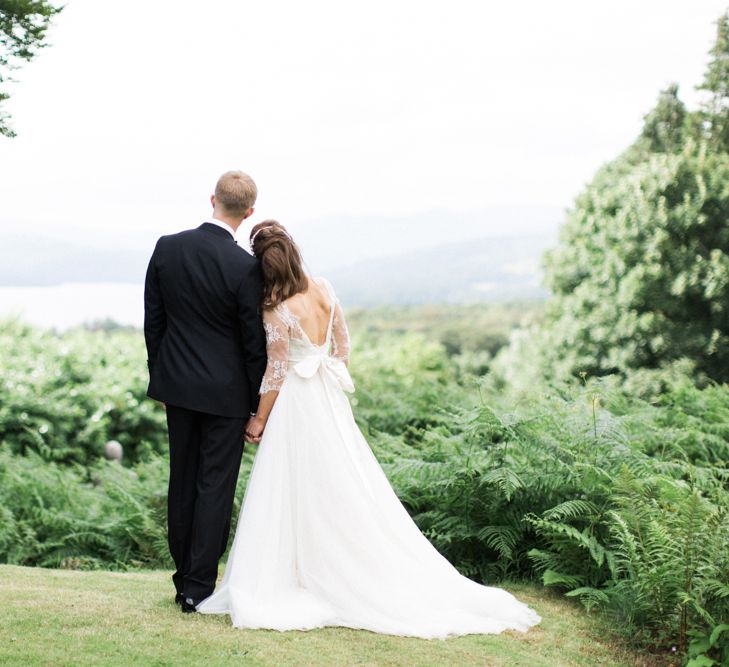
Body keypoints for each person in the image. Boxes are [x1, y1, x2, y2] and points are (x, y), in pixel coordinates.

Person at [196, 220, 541, 638]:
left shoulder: (275, 307)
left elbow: (276, 371)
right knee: (338, 482)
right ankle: (324, 567)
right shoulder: (324, 288)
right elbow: (342, 348)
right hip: (328, 399)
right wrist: (325, 369)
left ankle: (302, 573)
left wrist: (259, 419)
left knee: (294, 488)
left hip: (296, 405)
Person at [143, 170, 267, 613]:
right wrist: (257, 406)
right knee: (215, 486)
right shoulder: (246, 267)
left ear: (211, 198)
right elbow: (254, 343)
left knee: (183, 481)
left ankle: (183, 581)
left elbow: (154, 322)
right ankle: (197, 587)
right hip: (229, 395)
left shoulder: (167, 247)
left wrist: (161, 378)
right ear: (248, 212)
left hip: (178, 387)